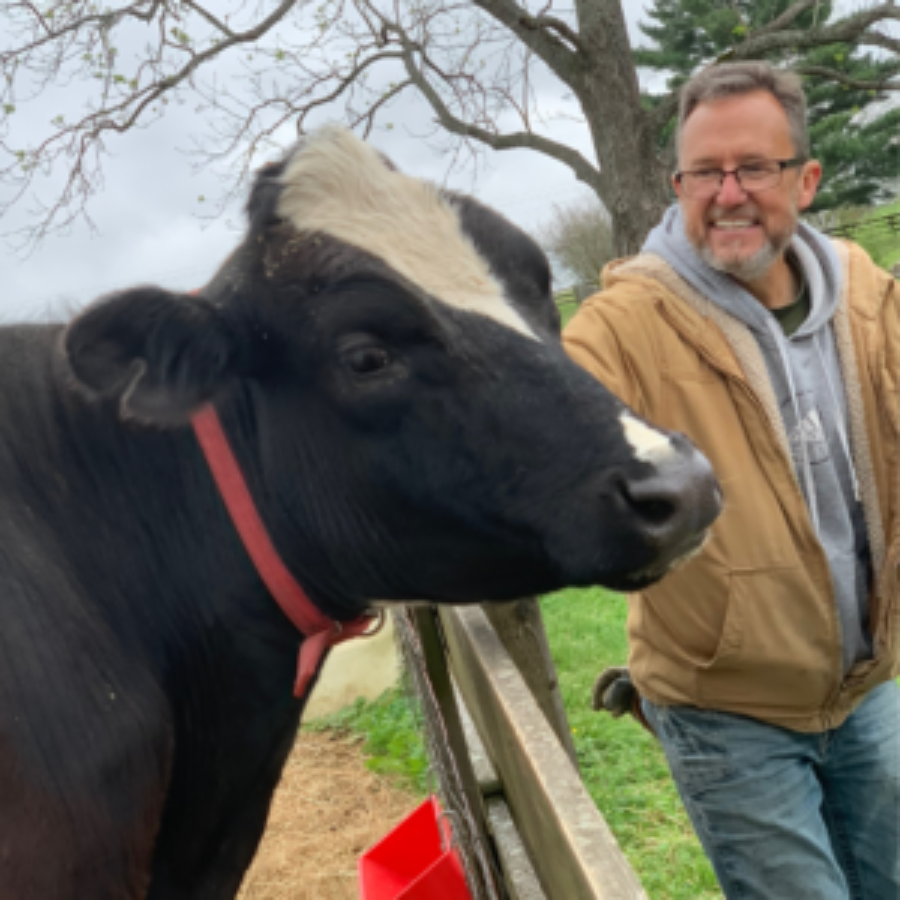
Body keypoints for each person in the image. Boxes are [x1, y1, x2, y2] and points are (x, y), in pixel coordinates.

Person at [563, 61, 900, 899]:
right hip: (728, 708)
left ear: (807, 179)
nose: (727, 193)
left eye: (753, 167)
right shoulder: (625, 324)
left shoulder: (868, 294)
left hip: (867, 689)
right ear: (677, 184)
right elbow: (521, 436)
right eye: (704, 173)